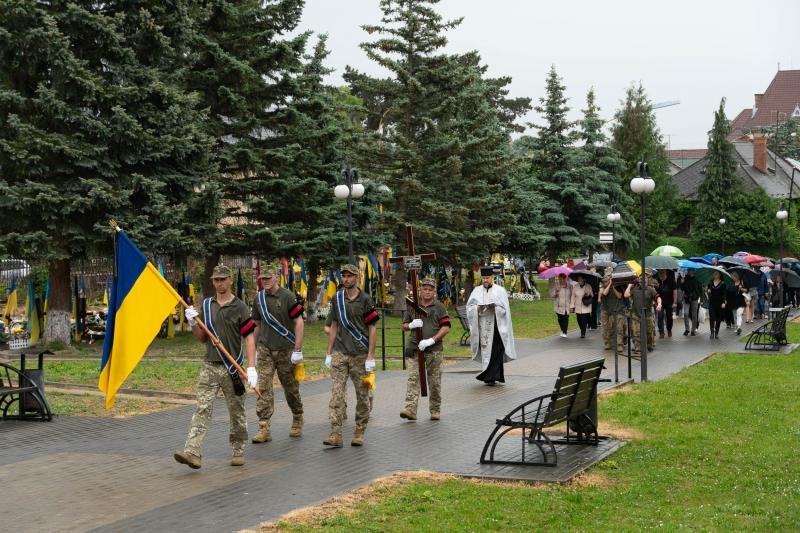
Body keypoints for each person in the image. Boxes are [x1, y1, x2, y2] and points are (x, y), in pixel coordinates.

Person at [174, 264, 258, 469]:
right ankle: (192, 452)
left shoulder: (240, 307)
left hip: (232, 368)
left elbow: (248, 338)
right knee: (202, 408)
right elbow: (203, 339)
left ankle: (238, 449)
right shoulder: (208, 305)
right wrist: (193, 323)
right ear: (212, 282)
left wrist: (251, 367)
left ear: (230, 280)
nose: (219, 283)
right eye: (216, 280)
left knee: (236, 411)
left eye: (223, 279)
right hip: (210, 365)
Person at [323, 263, 379, 447]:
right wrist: (329, 352)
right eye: (344, 276)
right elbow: (334, 326)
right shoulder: (336, 298)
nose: (346, 279)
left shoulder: (365, 300)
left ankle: (360, 430)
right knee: (336, 394)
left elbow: (372, 328)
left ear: (357, 278)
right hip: (340, 352)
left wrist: (370, 355)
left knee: (362, 395)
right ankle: (335, 433)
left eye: (349, 276)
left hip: (359, 354)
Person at [250, 266, 305, 443]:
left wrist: (297, 349)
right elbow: (256, 324)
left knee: (290, 388)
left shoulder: (287, 296)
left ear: (276, 277)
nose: (265, 281)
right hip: (265, 348)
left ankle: (297, 417)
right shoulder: (259, 299)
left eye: (268, 278)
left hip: (285, 349)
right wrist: (253, 349)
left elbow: (299, 322)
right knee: (264, 387)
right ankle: (264, 426)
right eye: (262, 279)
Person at [400, 277, 451, 421]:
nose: (427, 292)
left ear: (434, 291)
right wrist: (410, 325)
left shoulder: (439, 307)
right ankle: (410, 409)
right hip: (414, 348)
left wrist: (431, 340)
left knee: (434, 381)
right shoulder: (412, 306)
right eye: (425, 289)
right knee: (413, 379)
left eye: (430, 289)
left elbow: (446, 327)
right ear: (420, 290)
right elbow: (404, 325)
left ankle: (435, 409)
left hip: (433, 350)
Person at [466, 265, 517, 385]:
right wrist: (477, 308)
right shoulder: (477, 291)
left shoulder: (500, 290)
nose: (485, 280)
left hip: (497, 326)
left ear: (492, 277)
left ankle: (493, 376)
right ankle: (490, 376)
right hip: (483, 327)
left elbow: (505, 310)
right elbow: (469, 308)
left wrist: (496, 309)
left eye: (487, 278)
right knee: (486, 351)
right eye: (483, 278)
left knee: (496, 350)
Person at [626, 274, 659, 354]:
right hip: (636, 314)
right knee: (636, 331)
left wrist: (660, 304)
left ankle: (649, 344)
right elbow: (626, 295)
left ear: (647, 282)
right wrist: (629, 286)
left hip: (647, 314)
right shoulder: (634, 289)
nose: (642, 283)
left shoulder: (651, 290)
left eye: (644, 281)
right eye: (641, 281)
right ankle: (638, 348)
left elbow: (658, 297)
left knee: (649, 331)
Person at [599, 274, 627, 353]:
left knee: (619, 328)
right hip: (606, 310)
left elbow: (619, 296)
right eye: (604, 282)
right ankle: (607, 343)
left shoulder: (618, 286)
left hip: (617, 310)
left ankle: (619, 344)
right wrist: (609, 285)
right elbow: (604, 293)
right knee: (606, 328)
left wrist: (613, 286)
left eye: (606, 282)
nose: (605, 283)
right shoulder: (603, 288)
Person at [570, 274, 594, 339]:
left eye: (580, 279)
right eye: (578, 279)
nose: (579, 280)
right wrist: (572, 305)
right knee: (579, 319)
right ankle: (582, 329)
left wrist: (588, 293)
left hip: (585, 306)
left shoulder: (588, 286)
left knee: (584, 319)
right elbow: (572, 296)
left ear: (584, 279)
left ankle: (583, 333)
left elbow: (592, 295)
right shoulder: (575, 286)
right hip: (577, 306)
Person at [656, 269, 677, 338]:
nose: (661, 274)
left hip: (669, 302)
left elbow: (675, 292)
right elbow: (654, 292)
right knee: (660, 316)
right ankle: (661, 332)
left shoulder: (671, 281)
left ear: (665, 273)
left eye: (662, 272)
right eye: (659, 272)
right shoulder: (657, 281)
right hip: (660, 303)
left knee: (669, 317)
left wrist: (674, 302)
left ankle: (669, 329)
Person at [706, 270, 727, 339]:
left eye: (717, 274)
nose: (715, 275)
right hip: (712, 302)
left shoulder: (723, 283)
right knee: (712, 318)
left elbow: (724, 294)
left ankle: (716, 333)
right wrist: (708, 291)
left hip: (720, 303)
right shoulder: (710, 283)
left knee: (718, 318)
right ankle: (712, 333)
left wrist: (723, 302)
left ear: (719, 275)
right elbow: (708, 293)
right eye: (714, 274)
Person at [549, 273, 572, 337]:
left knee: (565, 318)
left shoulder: (569, 286)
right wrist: (556, 291)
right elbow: (552, 295)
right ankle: (562, 329)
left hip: (566, 305)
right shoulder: (556, 285)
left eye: (563, 279)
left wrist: (572, 304)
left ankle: (565, 332)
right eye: (560, 279)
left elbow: (572, 295)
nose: (561, 280)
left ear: (565, 279)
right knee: (560, 319)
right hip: (558, 306)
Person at [680, 268, 702, 336]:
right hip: (687, 298)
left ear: (693, 271)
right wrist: (682, 282)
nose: (689, 272)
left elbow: (700, 289)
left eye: (691, 271)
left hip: (694, 298)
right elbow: (682, 288)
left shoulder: (697, 279)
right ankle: (687, 329)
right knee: (686, 313)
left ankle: (693, 330)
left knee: (694, 315)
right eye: (688, 271)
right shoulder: (685, 278)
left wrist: (701, 298)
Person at [728, 271, 747, 335]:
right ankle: (736, 327)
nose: (733, 278)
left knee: (739, 314)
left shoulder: (742, 282)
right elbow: (728, 291)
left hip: (740, 301)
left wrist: (741, 288)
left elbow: (747, 290)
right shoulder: (731, 283)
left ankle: (739, 327)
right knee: (734, 316)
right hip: (733, 301)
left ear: (736, 276)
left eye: (733, 277)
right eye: (732, 277)